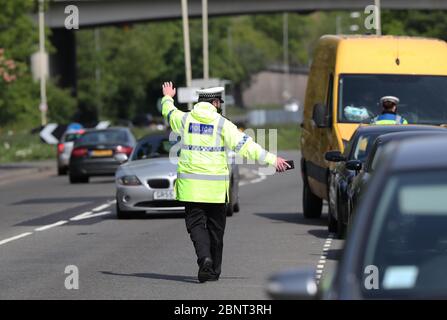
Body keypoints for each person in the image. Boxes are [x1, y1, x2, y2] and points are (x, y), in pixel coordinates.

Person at [161, 82, 290, 283]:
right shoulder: (223, 124)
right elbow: (247, 147)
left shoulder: (185, 120)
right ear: (214, 102)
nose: (219, 106)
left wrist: (168, 96)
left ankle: (204, 259)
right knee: (216, 230)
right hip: (214, 190)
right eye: (218, 103)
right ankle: (213, 270)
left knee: (196, 227)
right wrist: (273, 160)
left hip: (191, 188)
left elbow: (169, 112)